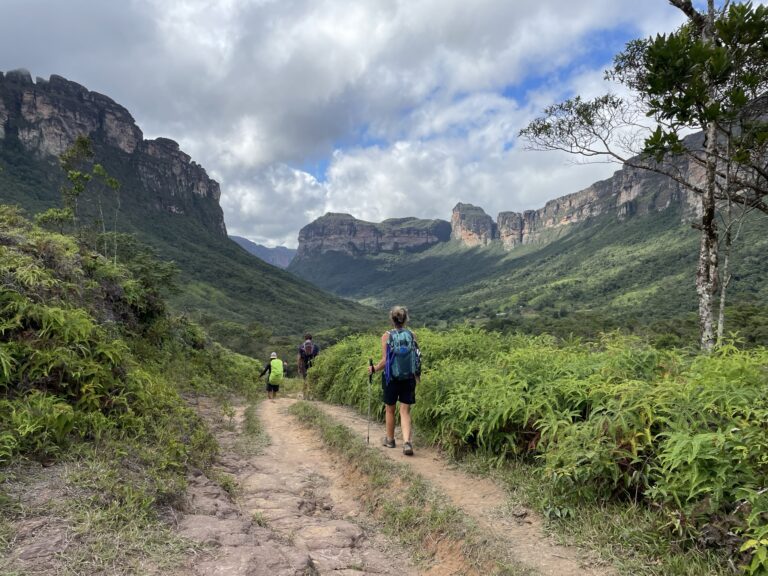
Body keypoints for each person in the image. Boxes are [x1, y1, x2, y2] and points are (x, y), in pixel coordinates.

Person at [367, 305, 420, 456]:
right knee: (405, 411)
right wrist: (417, 376)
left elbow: (385, 361)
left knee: (390, 409)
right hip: (409, 377)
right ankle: (407, 442)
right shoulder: (412, 335)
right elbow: (417, 357)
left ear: (392, 319)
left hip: (391, 378)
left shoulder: (386, 336)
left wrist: (374, 369)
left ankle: (390, 440)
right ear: (405, 319)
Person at [297, 333, 319, 398]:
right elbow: (318, 357)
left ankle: (304, 395)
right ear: (311, 339)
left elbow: (299, 358)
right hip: (313, 364)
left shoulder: (301, 347)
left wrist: (298, 367)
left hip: (304, 365)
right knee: (312, 379)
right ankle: (311, 395)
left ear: (305, 339)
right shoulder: (315, 346)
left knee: (305, 379)